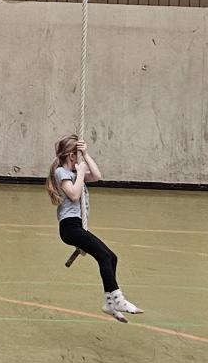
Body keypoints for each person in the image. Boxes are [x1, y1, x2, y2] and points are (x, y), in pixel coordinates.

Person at [49, 136, 140, 321]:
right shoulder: (61, 172)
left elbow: (97, 176)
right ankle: (118, 299)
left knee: (111, 257)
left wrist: (86, 155)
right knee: (104, 256)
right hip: (69, 227)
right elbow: (74, 195)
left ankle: (109, 302)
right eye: (78, 155)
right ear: (72, 156)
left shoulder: (75, 172)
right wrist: (81, 172)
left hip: (76, 226)